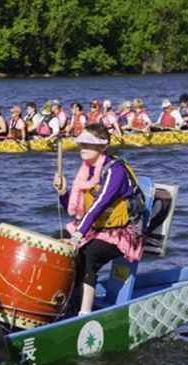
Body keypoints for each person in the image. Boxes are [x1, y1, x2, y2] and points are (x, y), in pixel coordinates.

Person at [52, 124, 145, 316]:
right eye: (81, 144)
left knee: (88, 255)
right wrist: (62, 192)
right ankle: (63, 300)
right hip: (95, 228)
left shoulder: (115, 171)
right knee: (55, 243)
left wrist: (77, 238)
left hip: (122, 233)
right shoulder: (86, 170)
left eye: (89, 145)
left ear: (103, 148)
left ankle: (84, 314)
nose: (83, 148)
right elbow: (76, 210)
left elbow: (98, 206)